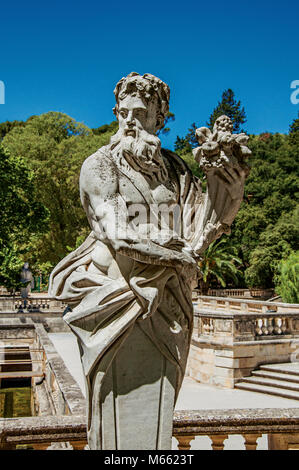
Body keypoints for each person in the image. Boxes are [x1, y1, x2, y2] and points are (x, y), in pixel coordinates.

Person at [49, 72, 248, 449]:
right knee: (114, 422)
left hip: (167, 305)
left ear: (160, 117)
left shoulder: (177, 171)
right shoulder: (100, 165)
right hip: (113, 301)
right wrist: (178, 254)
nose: (129, 121)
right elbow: (118, 231)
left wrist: (229, 188)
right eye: (123, 112)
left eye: (140, 113)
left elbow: (201, 229)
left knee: (156, 416)